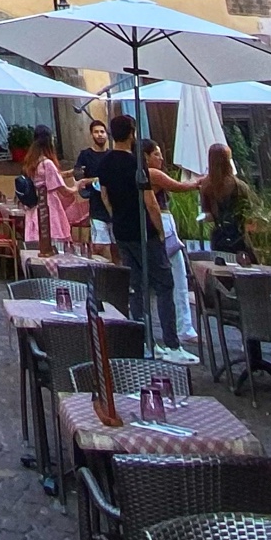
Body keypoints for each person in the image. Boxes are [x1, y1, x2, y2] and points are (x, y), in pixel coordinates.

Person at [97, 113, 191, 364]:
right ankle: (171, 343)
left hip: (122, 231)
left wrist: (116, 217)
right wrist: (159, 229)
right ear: (132, 133)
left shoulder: (105, 163)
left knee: (136, 286)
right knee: (164, 284)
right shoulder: (137, 165)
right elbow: (150, 202)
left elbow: (105, 196)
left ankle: (143, 340)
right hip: (143, 231)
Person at [141, 137, 196, 347]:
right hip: (162, 224)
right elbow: (179, 186)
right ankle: (184, 327)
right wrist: (200, 181)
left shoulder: (141, 174)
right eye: (156, 154)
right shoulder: (151, 174)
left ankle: (181, 325)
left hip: (158, 225)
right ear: (146, 156)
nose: (161, 158)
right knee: (177, 276)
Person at [18, 126, 74, 249]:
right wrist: (78, 186)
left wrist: (67, 174)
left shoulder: (31, 162)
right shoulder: (48, 163)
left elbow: (45, 178)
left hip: (34, 206)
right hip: (49, 206)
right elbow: (64, 191)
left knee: (37, 244)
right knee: (52, 242)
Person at [197, 142, 251, 258]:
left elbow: (207, 215)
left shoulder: (205, 185)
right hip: (239, 237)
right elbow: (248, 214)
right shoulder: (239, 186)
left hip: (218, 238)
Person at [73, 118, 113, 251]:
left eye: (102, 131)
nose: (100, 135)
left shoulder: (112, 155)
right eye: (96, 132)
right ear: (91, 134)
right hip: (96, 207)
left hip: (114, 205)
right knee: (100, 246)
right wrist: (92, 180)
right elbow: (78, 176)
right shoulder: (85, 155)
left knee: (117, 246)